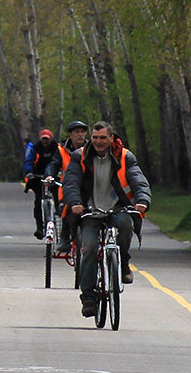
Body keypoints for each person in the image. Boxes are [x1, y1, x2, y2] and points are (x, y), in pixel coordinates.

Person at [62, 121, 152, 317]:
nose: (98, 142)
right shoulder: (80, 156)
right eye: (95, 138)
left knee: (126, 224)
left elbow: (138, 180)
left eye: (103, 138)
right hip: (89, 210)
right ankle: (88, 298)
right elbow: (71, 182)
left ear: (111, 138)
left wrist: (142, 200)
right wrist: (75, 203)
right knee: (90, 248)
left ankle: (123, 263)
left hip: (117, 208)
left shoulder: (125, 156)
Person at [21, 128, 62, 238]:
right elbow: (29, 161)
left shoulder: (57, 148)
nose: (45, 141)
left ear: (51, 138)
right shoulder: (35, 148)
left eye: (47, 139)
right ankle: (40, 227)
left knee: (59, 195)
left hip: (54, 176)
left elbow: (61, 160)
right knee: (38, 201)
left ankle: (59, 210)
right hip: (38, 177)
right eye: (43, 139)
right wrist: (29, 173)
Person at [56, 120, 89, 253]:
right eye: (77, 132)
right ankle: (65, 237)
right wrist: (48, 176)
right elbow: (53, 164)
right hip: (67, 188)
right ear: (70, 135)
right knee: (66, 208)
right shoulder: (60, 150)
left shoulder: (92, 148)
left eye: (83, 132)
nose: (80, 135)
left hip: (88, 188)